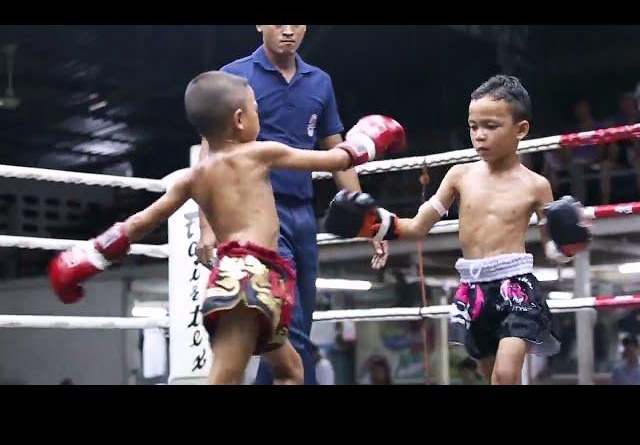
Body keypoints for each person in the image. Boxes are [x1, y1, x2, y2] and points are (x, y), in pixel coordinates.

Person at [47, 71, 405, 385]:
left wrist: (88, 258)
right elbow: (336, 159)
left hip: (256, 275)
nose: (258, 116)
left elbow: (141, 223)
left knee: (291, 371)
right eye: (255, 110)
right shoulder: (258, 153)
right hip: (247, 277)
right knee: (225, 377)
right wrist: (369, 136)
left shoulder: (193, 177)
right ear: (239, 119)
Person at [325, 75, 593, 385]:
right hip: (475, 287)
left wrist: (568, 245)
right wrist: (374, 224)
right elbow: (417, 226)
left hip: (516, 286)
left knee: (505, 376)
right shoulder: (459, 176)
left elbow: (552, 250)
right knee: (489, 375)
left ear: (521, 129)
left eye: (491, 127)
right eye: (473, 126)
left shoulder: (536, 185)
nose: (479, 136)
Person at [196, 25, 389, 385]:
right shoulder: (234, 76)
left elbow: (337, 151)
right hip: (255, 214)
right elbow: (211, 156)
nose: (288, 30)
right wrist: (207, 226)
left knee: (291, 325)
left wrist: (370, 219)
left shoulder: (320, 82)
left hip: (303, 214)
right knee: (290, 325)